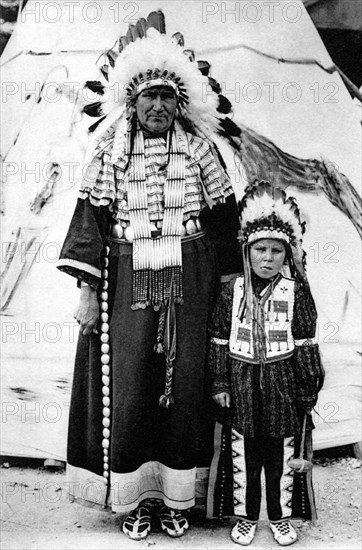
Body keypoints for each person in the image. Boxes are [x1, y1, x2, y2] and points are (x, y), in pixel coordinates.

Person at [57, 18, 241, 541]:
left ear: (179, 102)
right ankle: (135, 500)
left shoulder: (203, 152)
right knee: (133, 382)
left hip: (193, 277)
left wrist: (230, 288)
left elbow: (225, 224)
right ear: (131, 102)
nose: (157, 106)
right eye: (147, 97)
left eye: (165, 96)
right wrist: (89, 292)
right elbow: (90, 222)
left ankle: (179, 497)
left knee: (185, 384)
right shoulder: (110, 152)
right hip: (127, 281)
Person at [207, 181, 325, 546]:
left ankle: (279, 515)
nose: (268, 258)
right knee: (243, 450)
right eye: (261, 249)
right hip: (241, 381)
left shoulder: (297, 292)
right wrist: (220, 384)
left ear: (286, 255)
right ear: (248, 251)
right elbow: (218, 340)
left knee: (280, 452)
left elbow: (306, 344)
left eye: (276, 251)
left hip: (283, 382)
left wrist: (307, 390)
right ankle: (244, 516)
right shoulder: (231, 291)